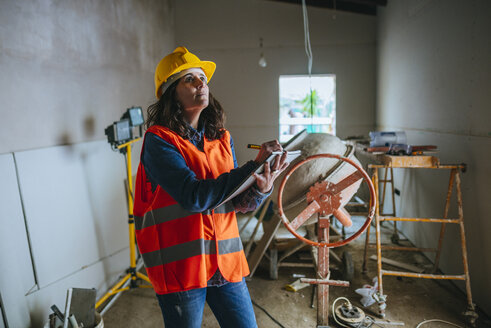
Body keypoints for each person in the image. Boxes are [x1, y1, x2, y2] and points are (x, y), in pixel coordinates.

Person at [133, 46, 289, 328]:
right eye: (189, 79)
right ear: (172, 92)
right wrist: (252, 167)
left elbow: (233, 201)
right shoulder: (159, 141)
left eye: (202, 78)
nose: (200, 83)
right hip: (182, 270)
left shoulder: (221, 138)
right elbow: (194, 197)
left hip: (225, 264)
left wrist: (260, 188)